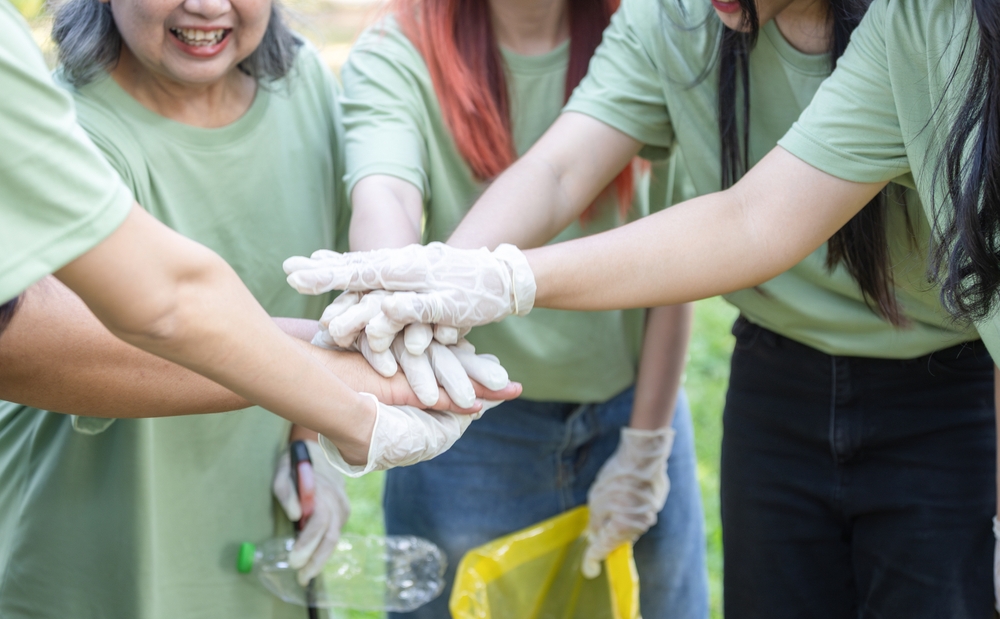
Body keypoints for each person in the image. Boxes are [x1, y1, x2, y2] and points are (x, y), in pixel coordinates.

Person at [284, 0, 1000, 616]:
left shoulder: (926, 24)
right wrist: (451, 283)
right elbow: (568, 172)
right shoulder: (678, 19)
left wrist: (498, 281)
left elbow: (754, 219)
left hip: (944, 389)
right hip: (778, 382)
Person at [0, 0, 516, 617]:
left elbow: (317, 292)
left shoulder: (303, 90)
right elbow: (105, 343)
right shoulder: (64, 135)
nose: (209, 6)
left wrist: (307, 442)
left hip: (253, 518)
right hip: (104, 528)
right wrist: (350, 397)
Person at [338, 0, 706, 616]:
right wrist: (396, 297)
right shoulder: (401, 49)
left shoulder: (647, 36)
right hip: (469, 419)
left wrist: (647, 442)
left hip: (635, 404)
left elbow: (673, 267)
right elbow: (387, 192)